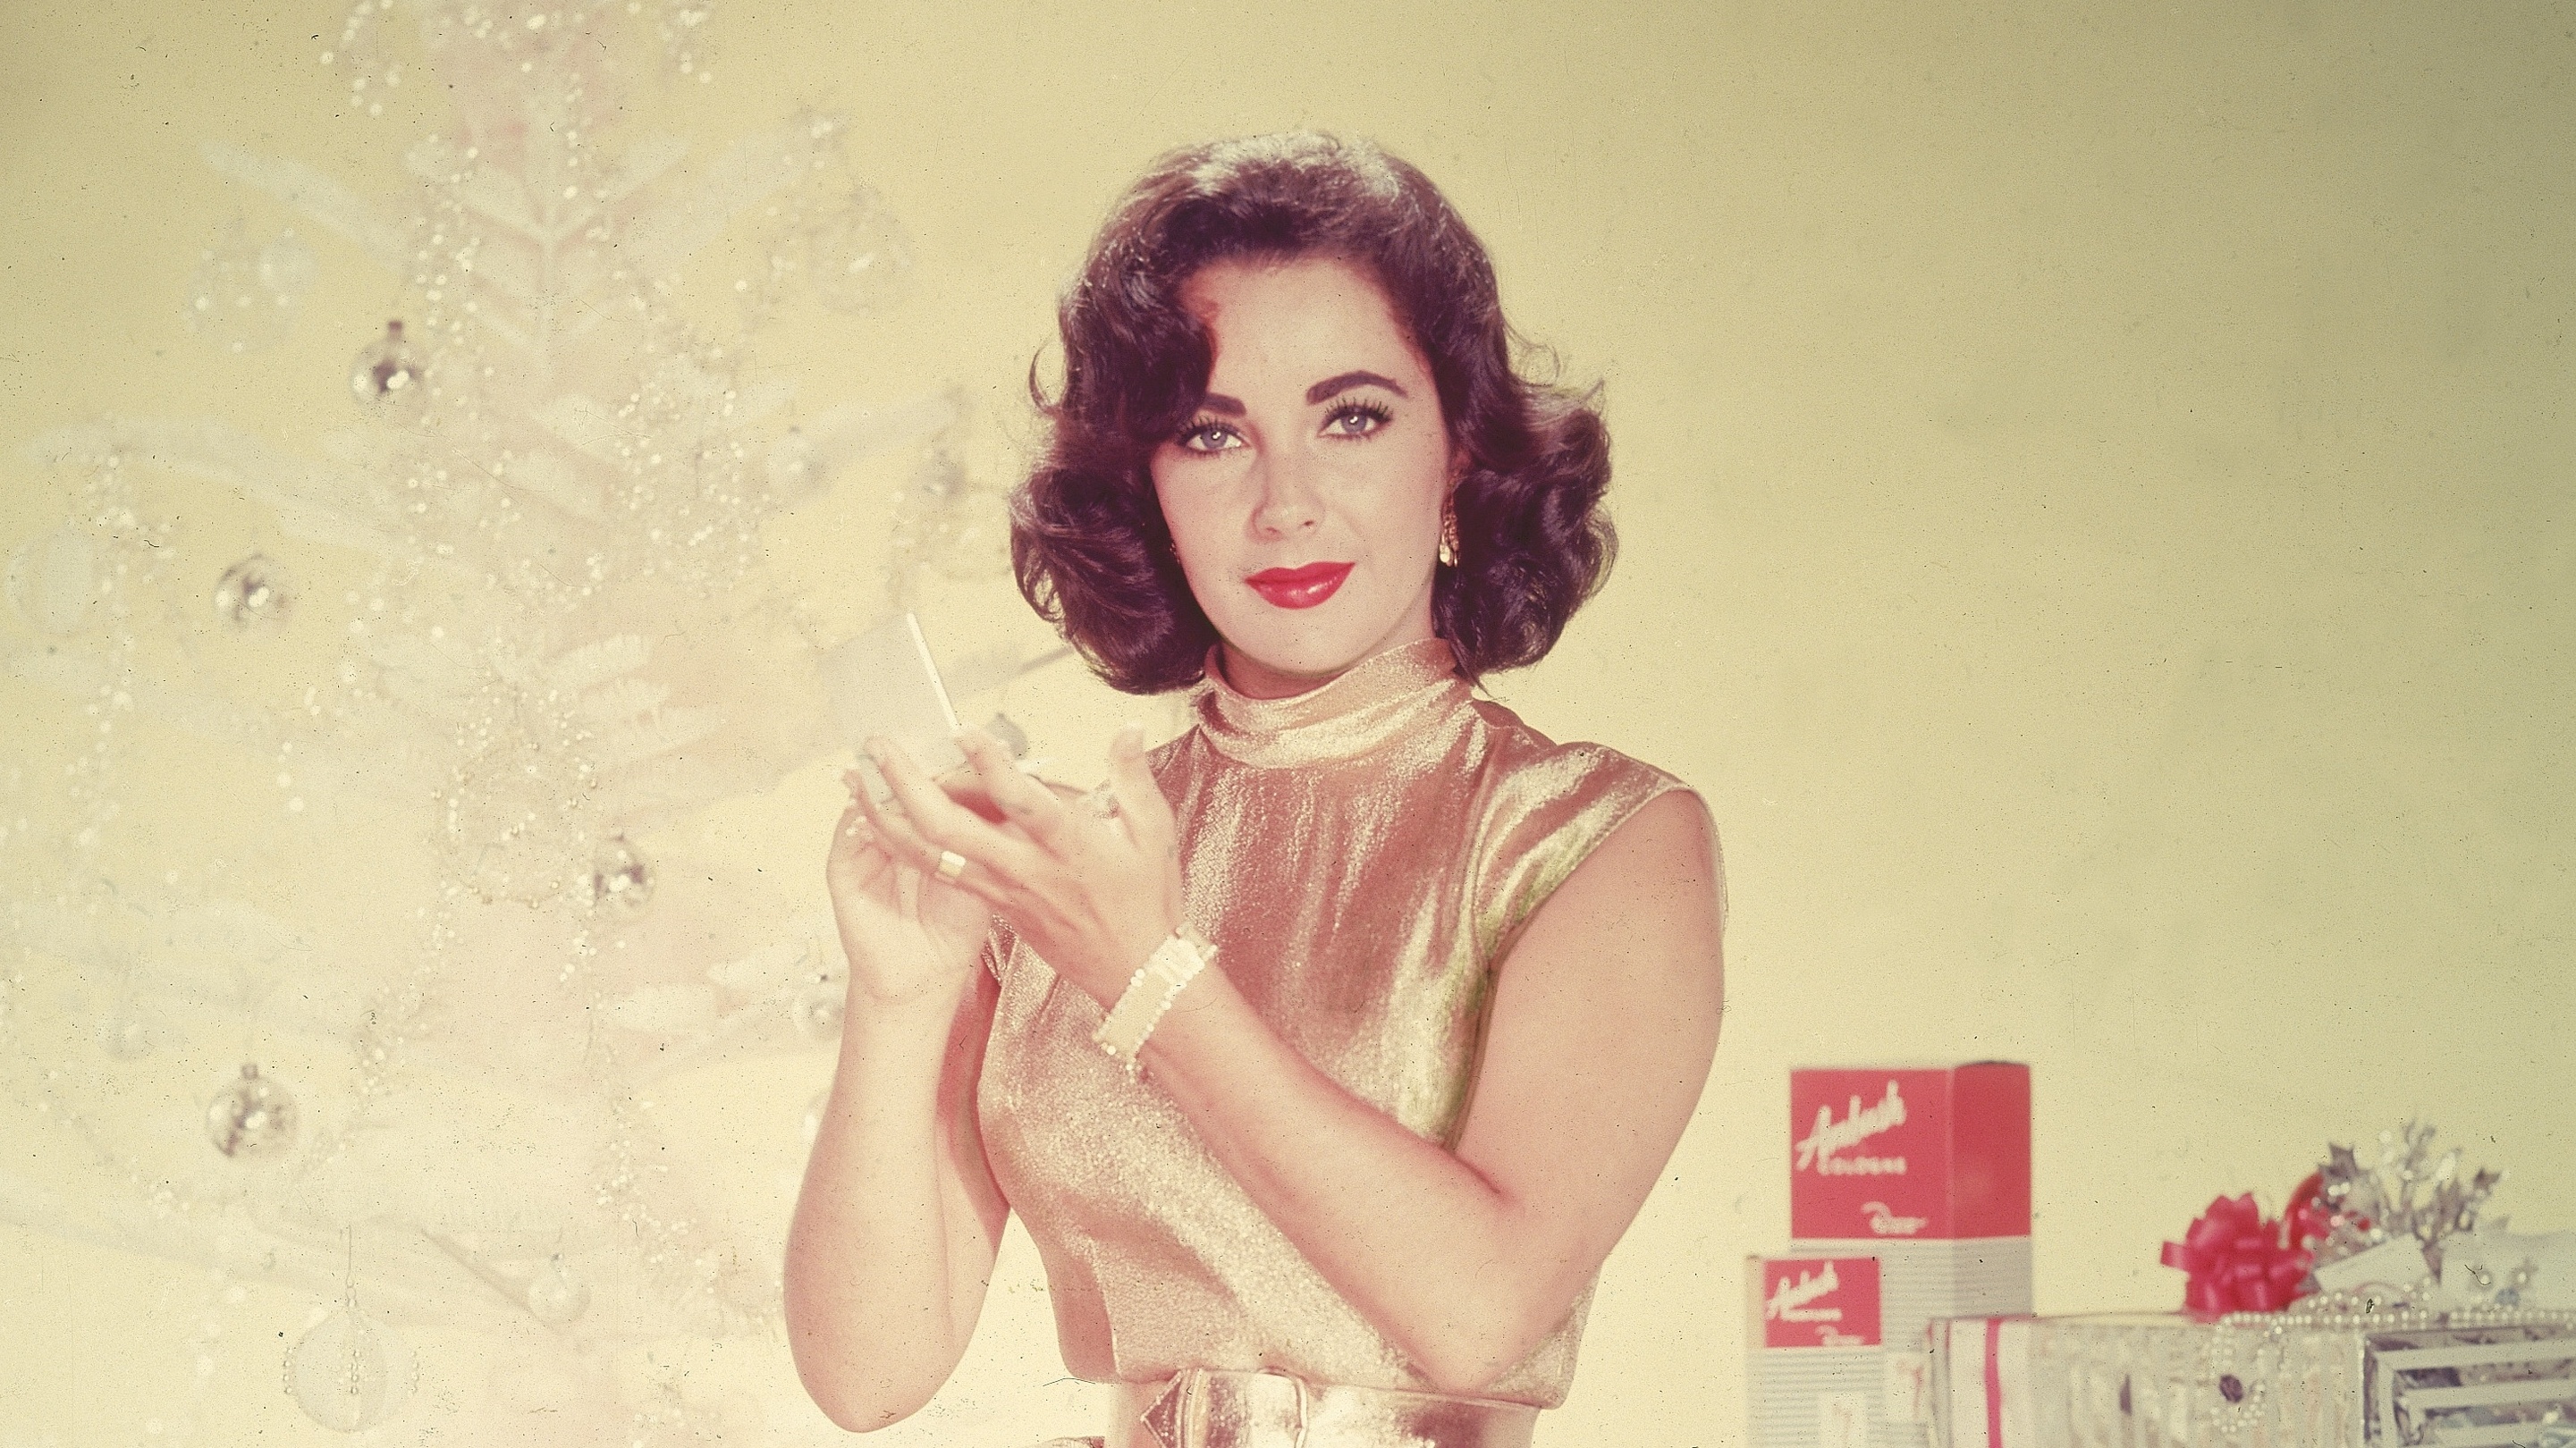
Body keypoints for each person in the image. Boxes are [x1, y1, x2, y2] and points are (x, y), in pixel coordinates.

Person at [785, 131, 1725, 1448]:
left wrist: (1149, 973)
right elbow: (867, 1376)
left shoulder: (1598, 839)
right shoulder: (1075, 873)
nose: (1286, 504)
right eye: (1211, 434)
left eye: (1353, 417)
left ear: (1460, 452)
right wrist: (901, 994)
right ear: (1147, 486)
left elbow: (1481, 1314)